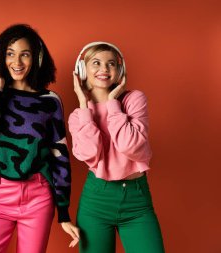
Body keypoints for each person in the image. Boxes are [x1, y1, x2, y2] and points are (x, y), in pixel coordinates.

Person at [0, 24, 79, 253]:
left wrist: (64, 212)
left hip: (38, 197)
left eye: (24, 54)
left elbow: (60, 155)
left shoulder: (50, 101)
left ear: (36, 58)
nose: (17, 62)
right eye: (10, 53)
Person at [68, 41, 165, 253]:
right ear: (83, 70)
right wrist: (83, 104)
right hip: (95, 201)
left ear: (119, 71)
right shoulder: (78, 116)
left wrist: (112, 102)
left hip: (137, 201)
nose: (104, 69)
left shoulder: (134, 100)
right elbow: (90, 152)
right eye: (96, 63)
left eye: (111, 63)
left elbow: (129, 145)